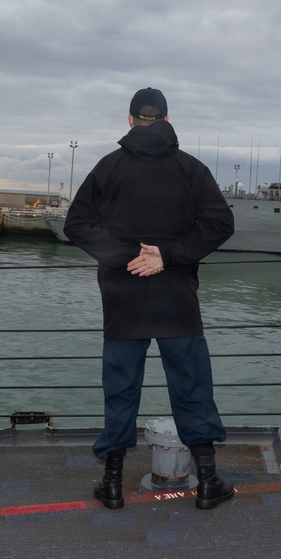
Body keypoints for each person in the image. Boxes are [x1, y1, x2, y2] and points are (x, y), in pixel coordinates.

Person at [64, 87, 236, 511]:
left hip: (123, 297)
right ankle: (209, 481)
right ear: (165, 118)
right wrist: (166, 256)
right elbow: (220, 224)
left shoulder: (109, 167)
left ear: (129, 120)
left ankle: (113, 484)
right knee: (193, 385)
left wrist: (127, 257)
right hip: (177, 295)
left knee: (120, 389)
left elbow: (77, 224)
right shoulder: (191, 169)